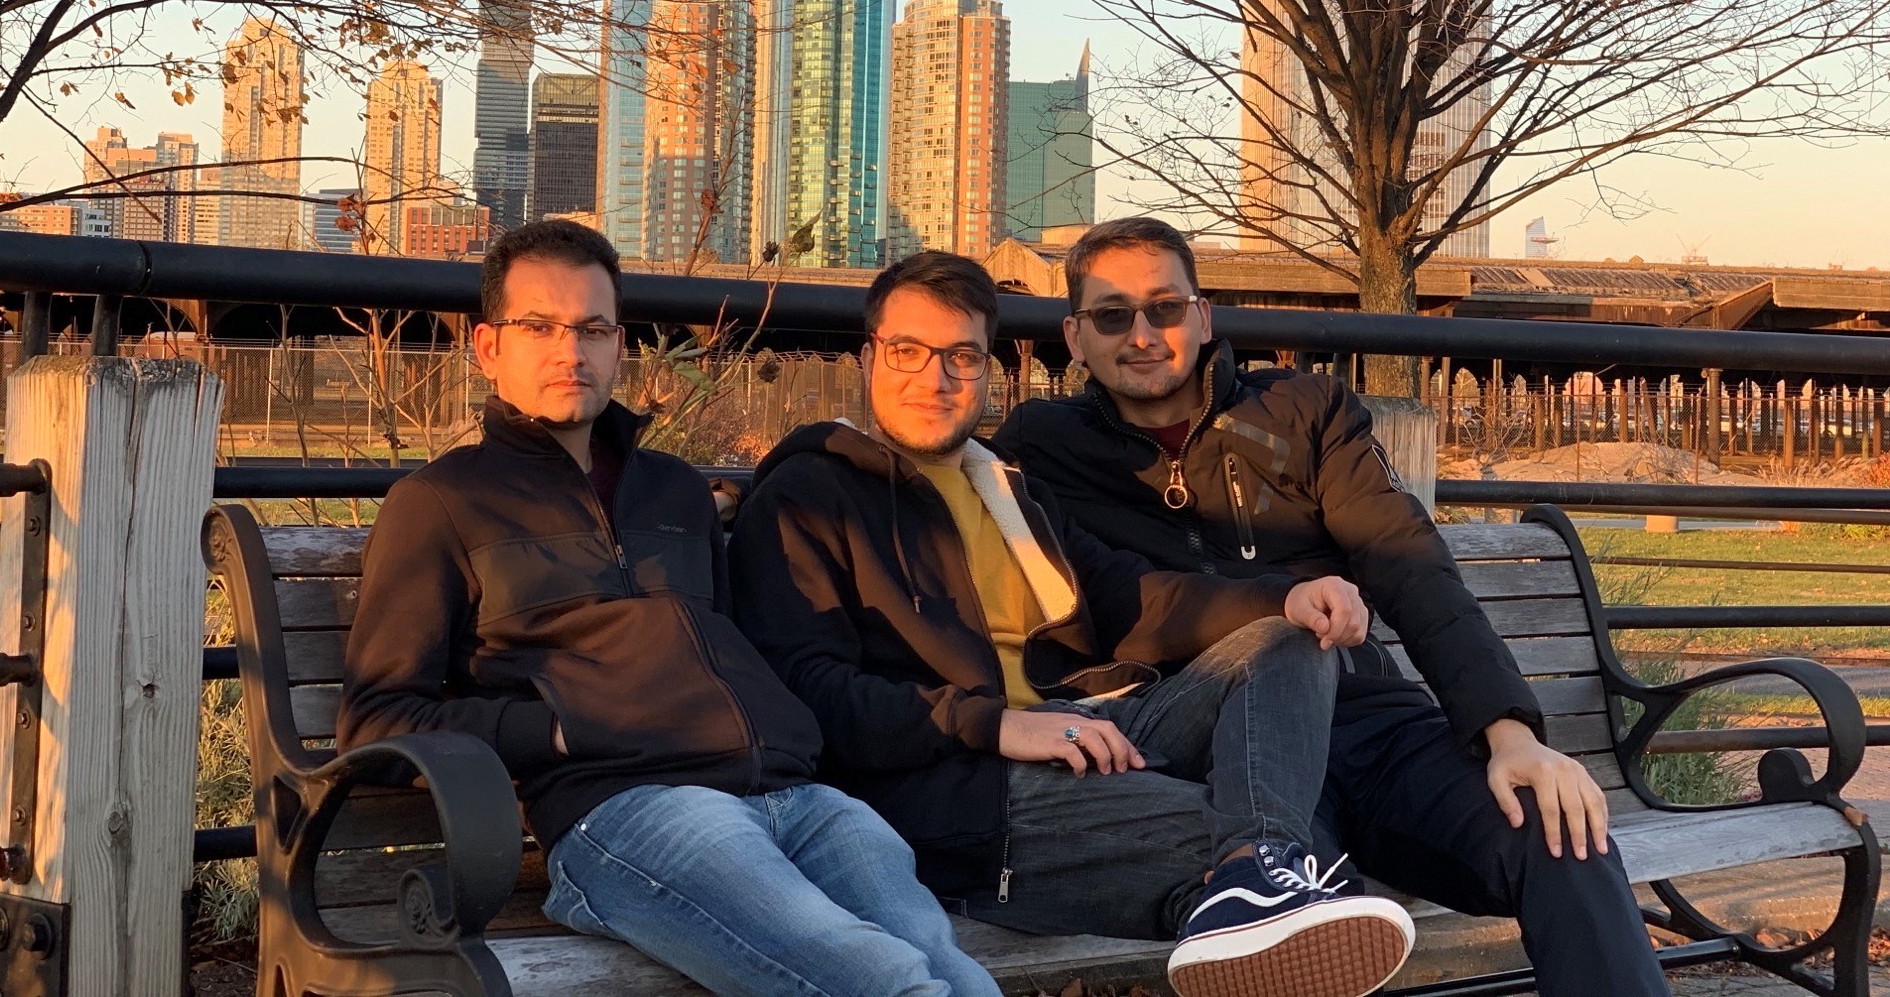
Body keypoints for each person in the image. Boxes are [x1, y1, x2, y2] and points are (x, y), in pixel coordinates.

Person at [990, 217, 1672, 997]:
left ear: (1203, 317)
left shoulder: (1304, 409)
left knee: (1560, 839)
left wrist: (1510, 735)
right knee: (1294, 932)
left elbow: (1410, 564)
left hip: (1363, 720)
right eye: (1113, 316)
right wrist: (1279, 602)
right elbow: (1110, 605)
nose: (1143, 335)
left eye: (1165, 308)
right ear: (1075, 337)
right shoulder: (1039, 446)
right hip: (1212, 751)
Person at [338, 220, 1002, 997]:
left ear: (620, 346)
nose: (569, 351)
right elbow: (377, 720)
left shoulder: (676, 491)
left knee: (953, 972)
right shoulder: (441, 503)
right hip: (629, 813)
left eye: (592, 328)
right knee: (880, 980)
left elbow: (722, 649)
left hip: (794, 798)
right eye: (539, 327)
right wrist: (556, 729)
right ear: (489, 348)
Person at [731, 251, 1416, 997]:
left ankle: (1253, 873)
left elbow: (1128, 595)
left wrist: (1281, 597)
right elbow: (808, 692)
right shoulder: (807, 495)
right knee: (1283, 852)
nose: (936, 379)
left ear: (988, 367)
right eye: (907, 352)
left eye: (962, 356)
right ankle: (1253, 878)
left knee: (1287, 644)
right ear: (867, 358)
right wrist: (995, 724)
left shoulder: (1006, 487)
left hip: (1087, 725)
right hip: (955, 788)